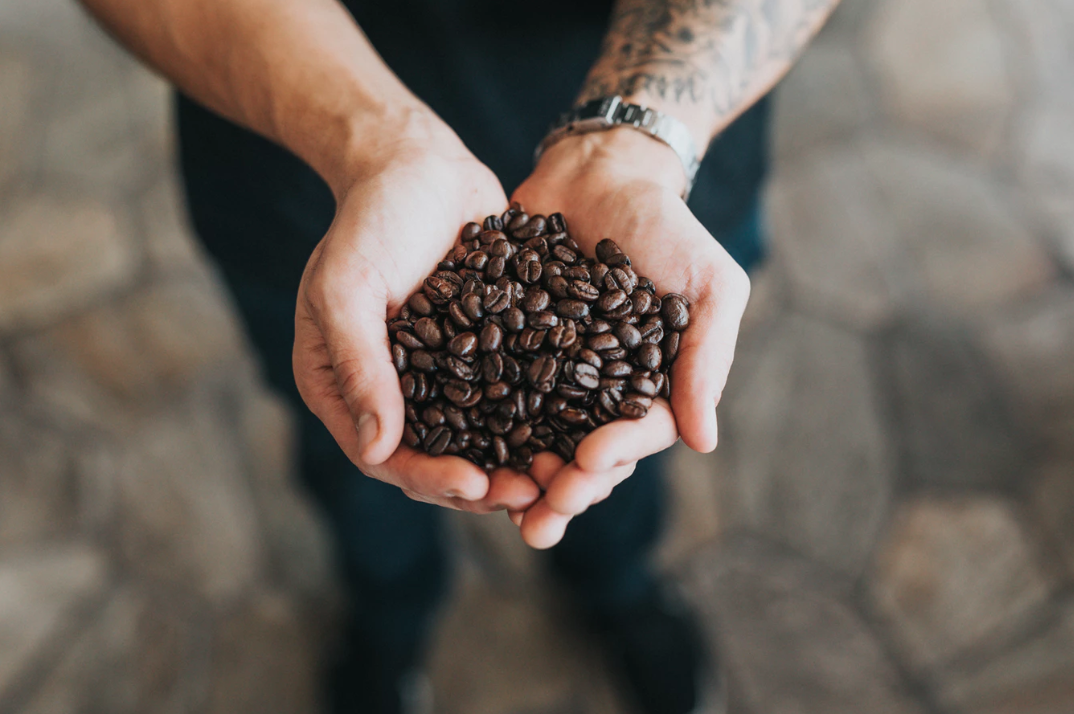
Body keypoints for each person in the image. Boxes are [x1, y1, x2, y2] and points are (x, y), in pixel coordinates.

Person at [77, 0, 839, 711]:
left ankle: (618, 587)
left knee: (620, 460)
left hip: (663, 164)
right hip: (308, 148)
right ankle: (389, 617)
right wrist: (374, 142)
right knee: (360, 446)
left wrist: (637, 141)